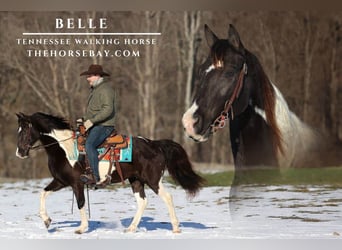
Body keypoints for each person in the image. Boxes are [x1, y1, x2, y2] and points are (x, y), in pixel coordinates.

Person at [79, 64, 116, 185]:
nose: (87, 78)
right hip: (97, 124)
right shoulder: (96, 90)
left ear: (97, 76)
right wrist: (83, 120)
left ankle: (95, 176)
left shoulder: (105, 90)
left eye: (89, 76)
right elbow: (94, 111)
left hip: (104, 125)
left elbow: (107, 110)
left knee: (89, 144)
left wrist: (92, 121)